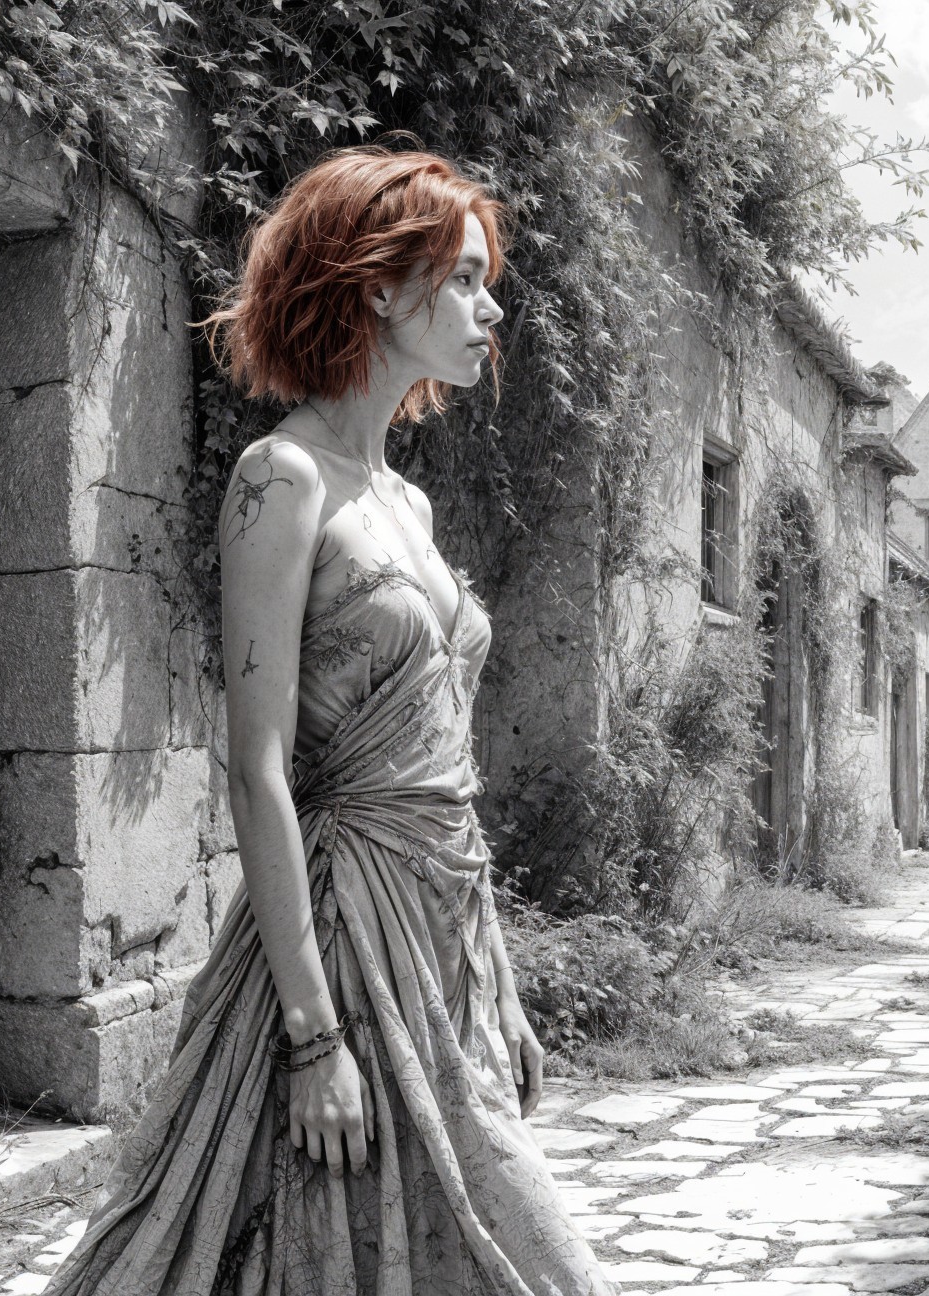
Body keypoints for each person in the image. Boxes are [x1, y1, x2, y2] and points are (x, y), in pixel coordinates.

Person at [45, 146, 618, 1296]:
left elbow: (445, 764)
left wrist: (494, 970)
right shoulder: (280, 479)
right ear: (377, 287)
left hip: (443, 932)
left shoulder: (407, 499)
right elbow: (256, 771)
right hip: (344, 934)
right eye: (461, 277)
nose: (488, 303)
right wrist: (311, 1037)